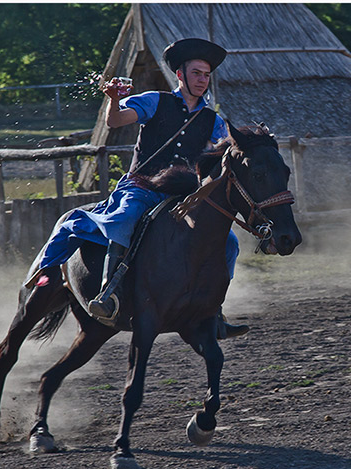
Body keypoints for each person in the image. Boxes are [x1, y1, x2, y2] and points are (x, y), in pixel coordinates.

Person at [28, 38, 247, 336]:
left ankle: (213, 311)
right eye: (197, 73)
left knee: (230, 243)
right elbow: (116, 120)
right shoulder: (155, 101)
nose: (202, 80)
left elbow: (227, 149)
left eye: (206, 75)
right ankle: (108, 292)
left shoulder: (212, 119)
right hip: (142, 186)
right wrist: (114, 99)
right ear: (180, 75)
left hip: (181, 195)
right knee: (126, 217)